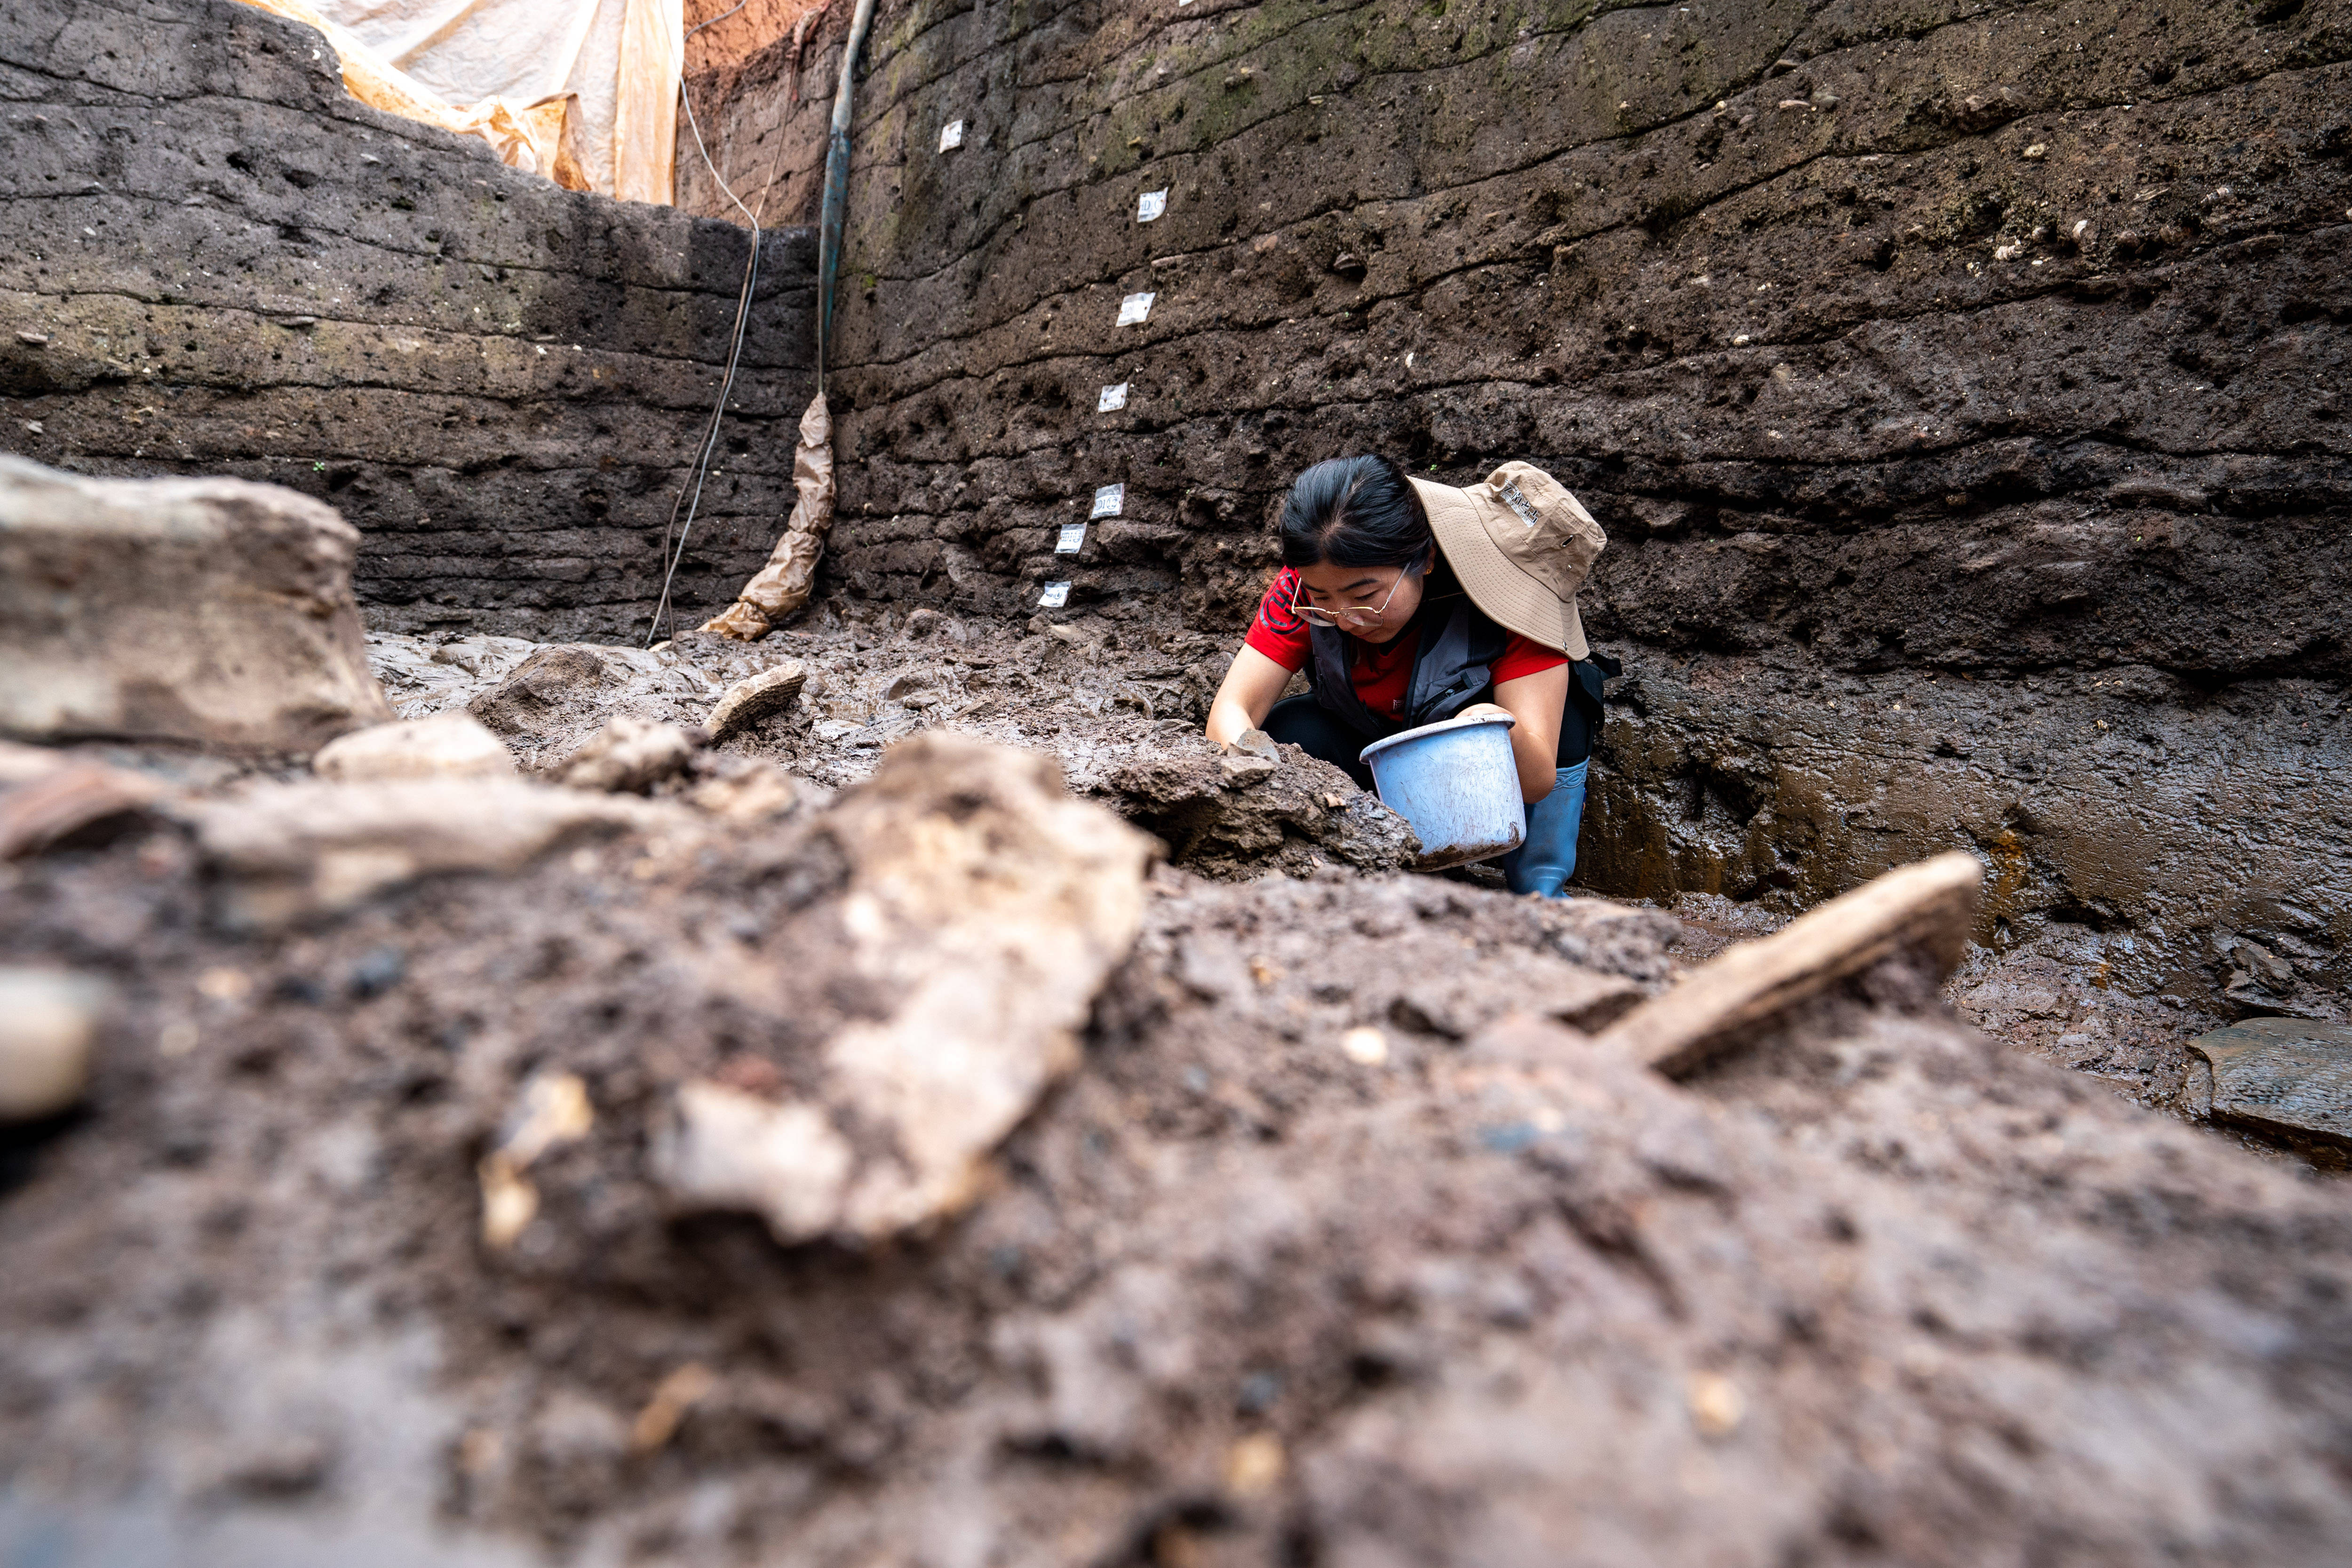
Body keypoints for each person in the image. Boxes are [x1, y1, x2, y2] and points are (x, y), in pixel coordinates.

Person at [1205, 454, 1613, 897]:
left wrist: (1493, 730)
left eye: (1365, 596)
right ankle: (1379, 864)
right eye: (1323, 598)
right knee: (1288, 729)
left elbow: (1536, 780)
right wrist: (1261, 769)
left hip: (1489, 778)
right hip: (1378, 761)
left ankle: (1538, 885)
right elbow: (1231, 710)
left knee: (1569, 707)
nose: (1344, 619)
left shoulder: (1512, 595)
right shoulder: (1304, 587)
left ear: (1426, 560)